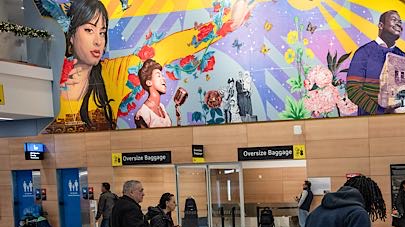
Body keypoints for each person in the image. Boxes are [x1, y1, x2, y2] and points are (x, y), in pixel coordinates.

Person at [41, 0, 255, 133]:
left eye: (102, 32)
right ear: (69, 36)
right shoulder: (45, 80)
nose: (98, 41)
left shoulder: (112, 74)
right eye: (89, 30)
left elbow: (167, 48)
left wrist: (224, 26)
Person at [346, 10, 405, 115]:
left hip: (403, 124)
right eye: (394, 20)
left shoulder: (403, 55)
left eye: (400, 22)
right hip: (371, 124)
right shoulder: (364, 52)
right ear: (380, 25)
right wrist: (381, 112)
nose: (399, 24)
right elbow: (353, 89)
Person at [134, 59, 172, 128]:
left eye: (162, 75)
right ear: (149, 82)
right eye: (158, 76)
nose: (163, 79)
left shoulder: (161, 107)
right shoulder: (143, 114)